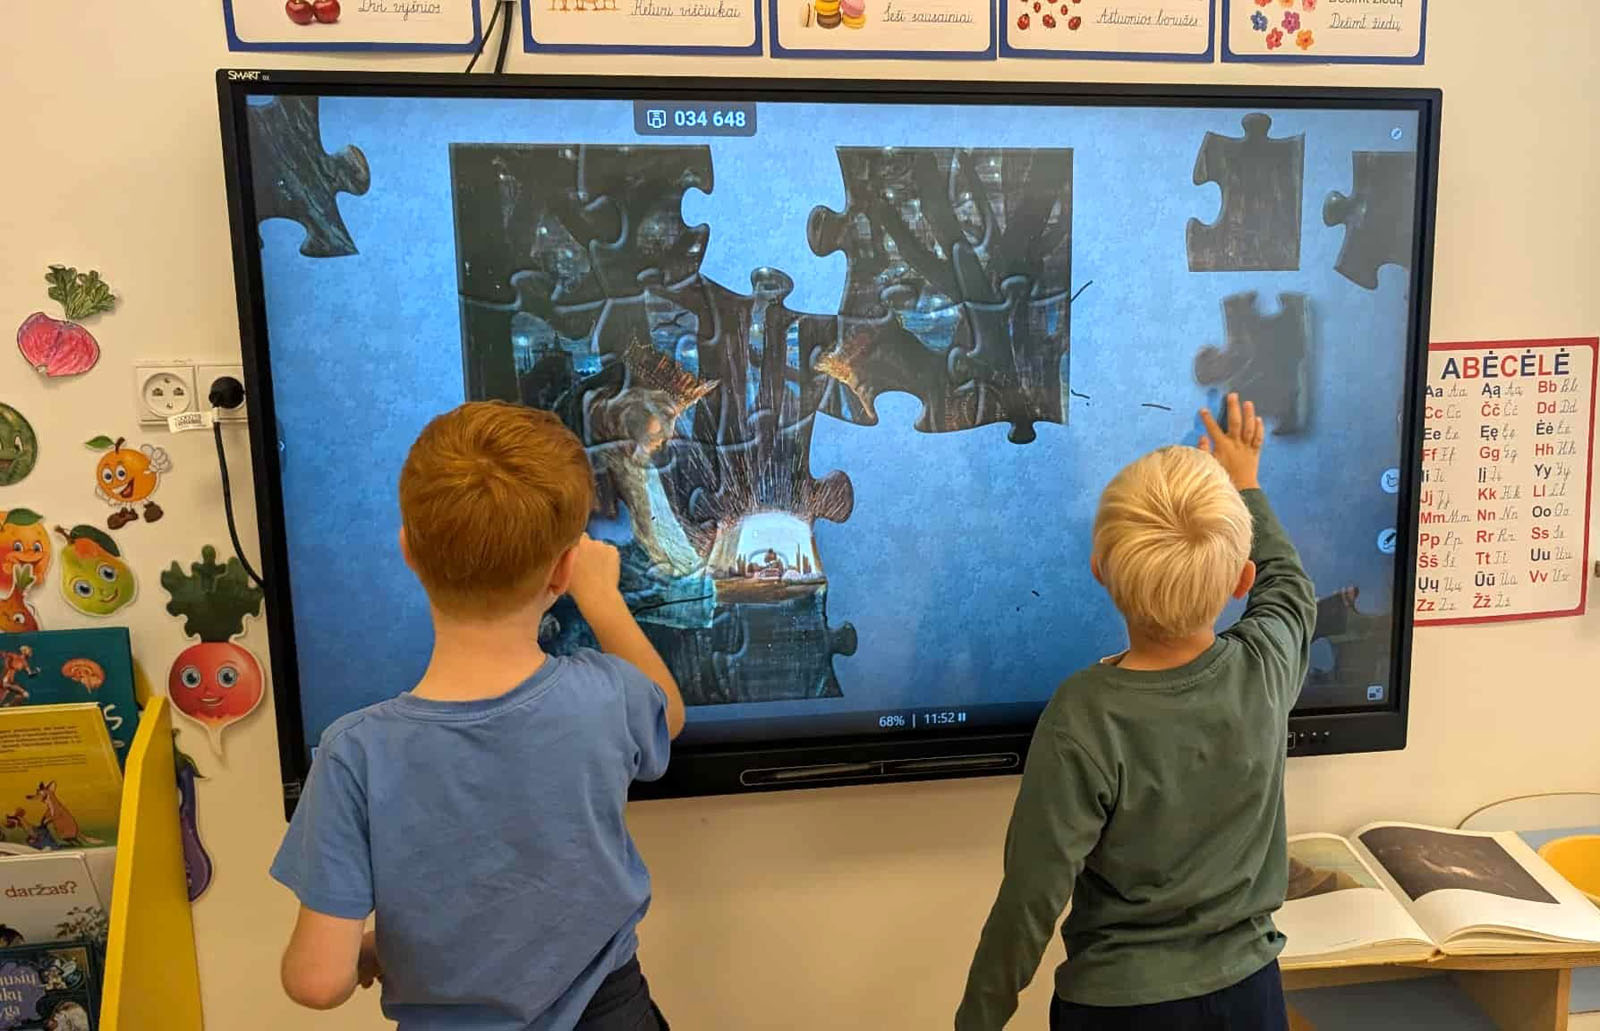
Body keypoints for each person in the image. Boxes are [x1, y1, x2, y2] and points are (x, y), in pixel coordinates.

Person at [271, 400, 686, 1031]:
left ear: (409, 551)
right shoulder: (605, 697)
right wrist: (602, 599)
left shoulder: (354, 752)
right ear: (564, 569)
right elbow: (668, 713)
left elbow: (318, 982)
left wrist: (373, 950)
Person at [956, 394, 1316, 1031]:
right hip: (1250, 996)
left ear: (1099, 570)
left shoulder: (1082, 714)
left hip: (1118, 1009)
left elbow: (1031, 897)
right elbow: (1289, 587)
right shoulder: (1264, 668)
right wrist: (1246, 481)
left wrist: (978, 1020)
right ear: (1241, 581)